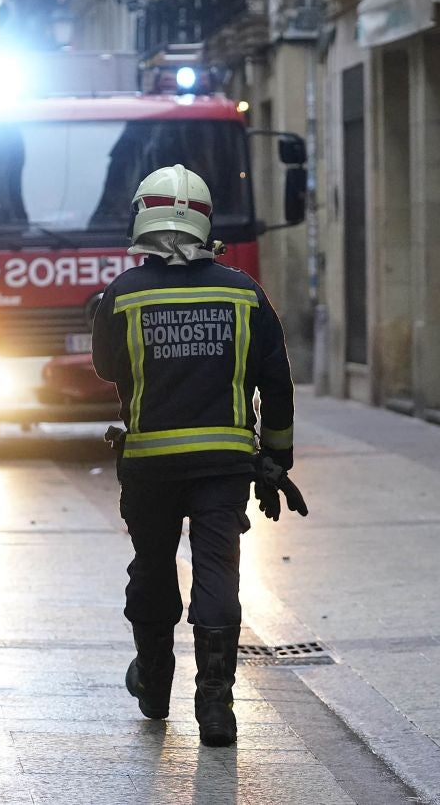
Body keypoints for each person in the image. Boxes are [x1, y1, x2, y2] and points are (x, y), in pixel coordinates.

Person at [91, 164, 308, 748]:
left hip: (149, 467)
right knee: (217, 571)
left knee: (153, 565)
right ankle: (216, 706)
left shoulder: (122, 296)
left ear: (143, 217)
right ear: (205, 222)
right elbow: (277, 383)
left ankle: (154, 682)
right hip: (225, 465)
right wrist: (277, 461)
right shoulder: (243, 292)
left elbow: (108, 369)